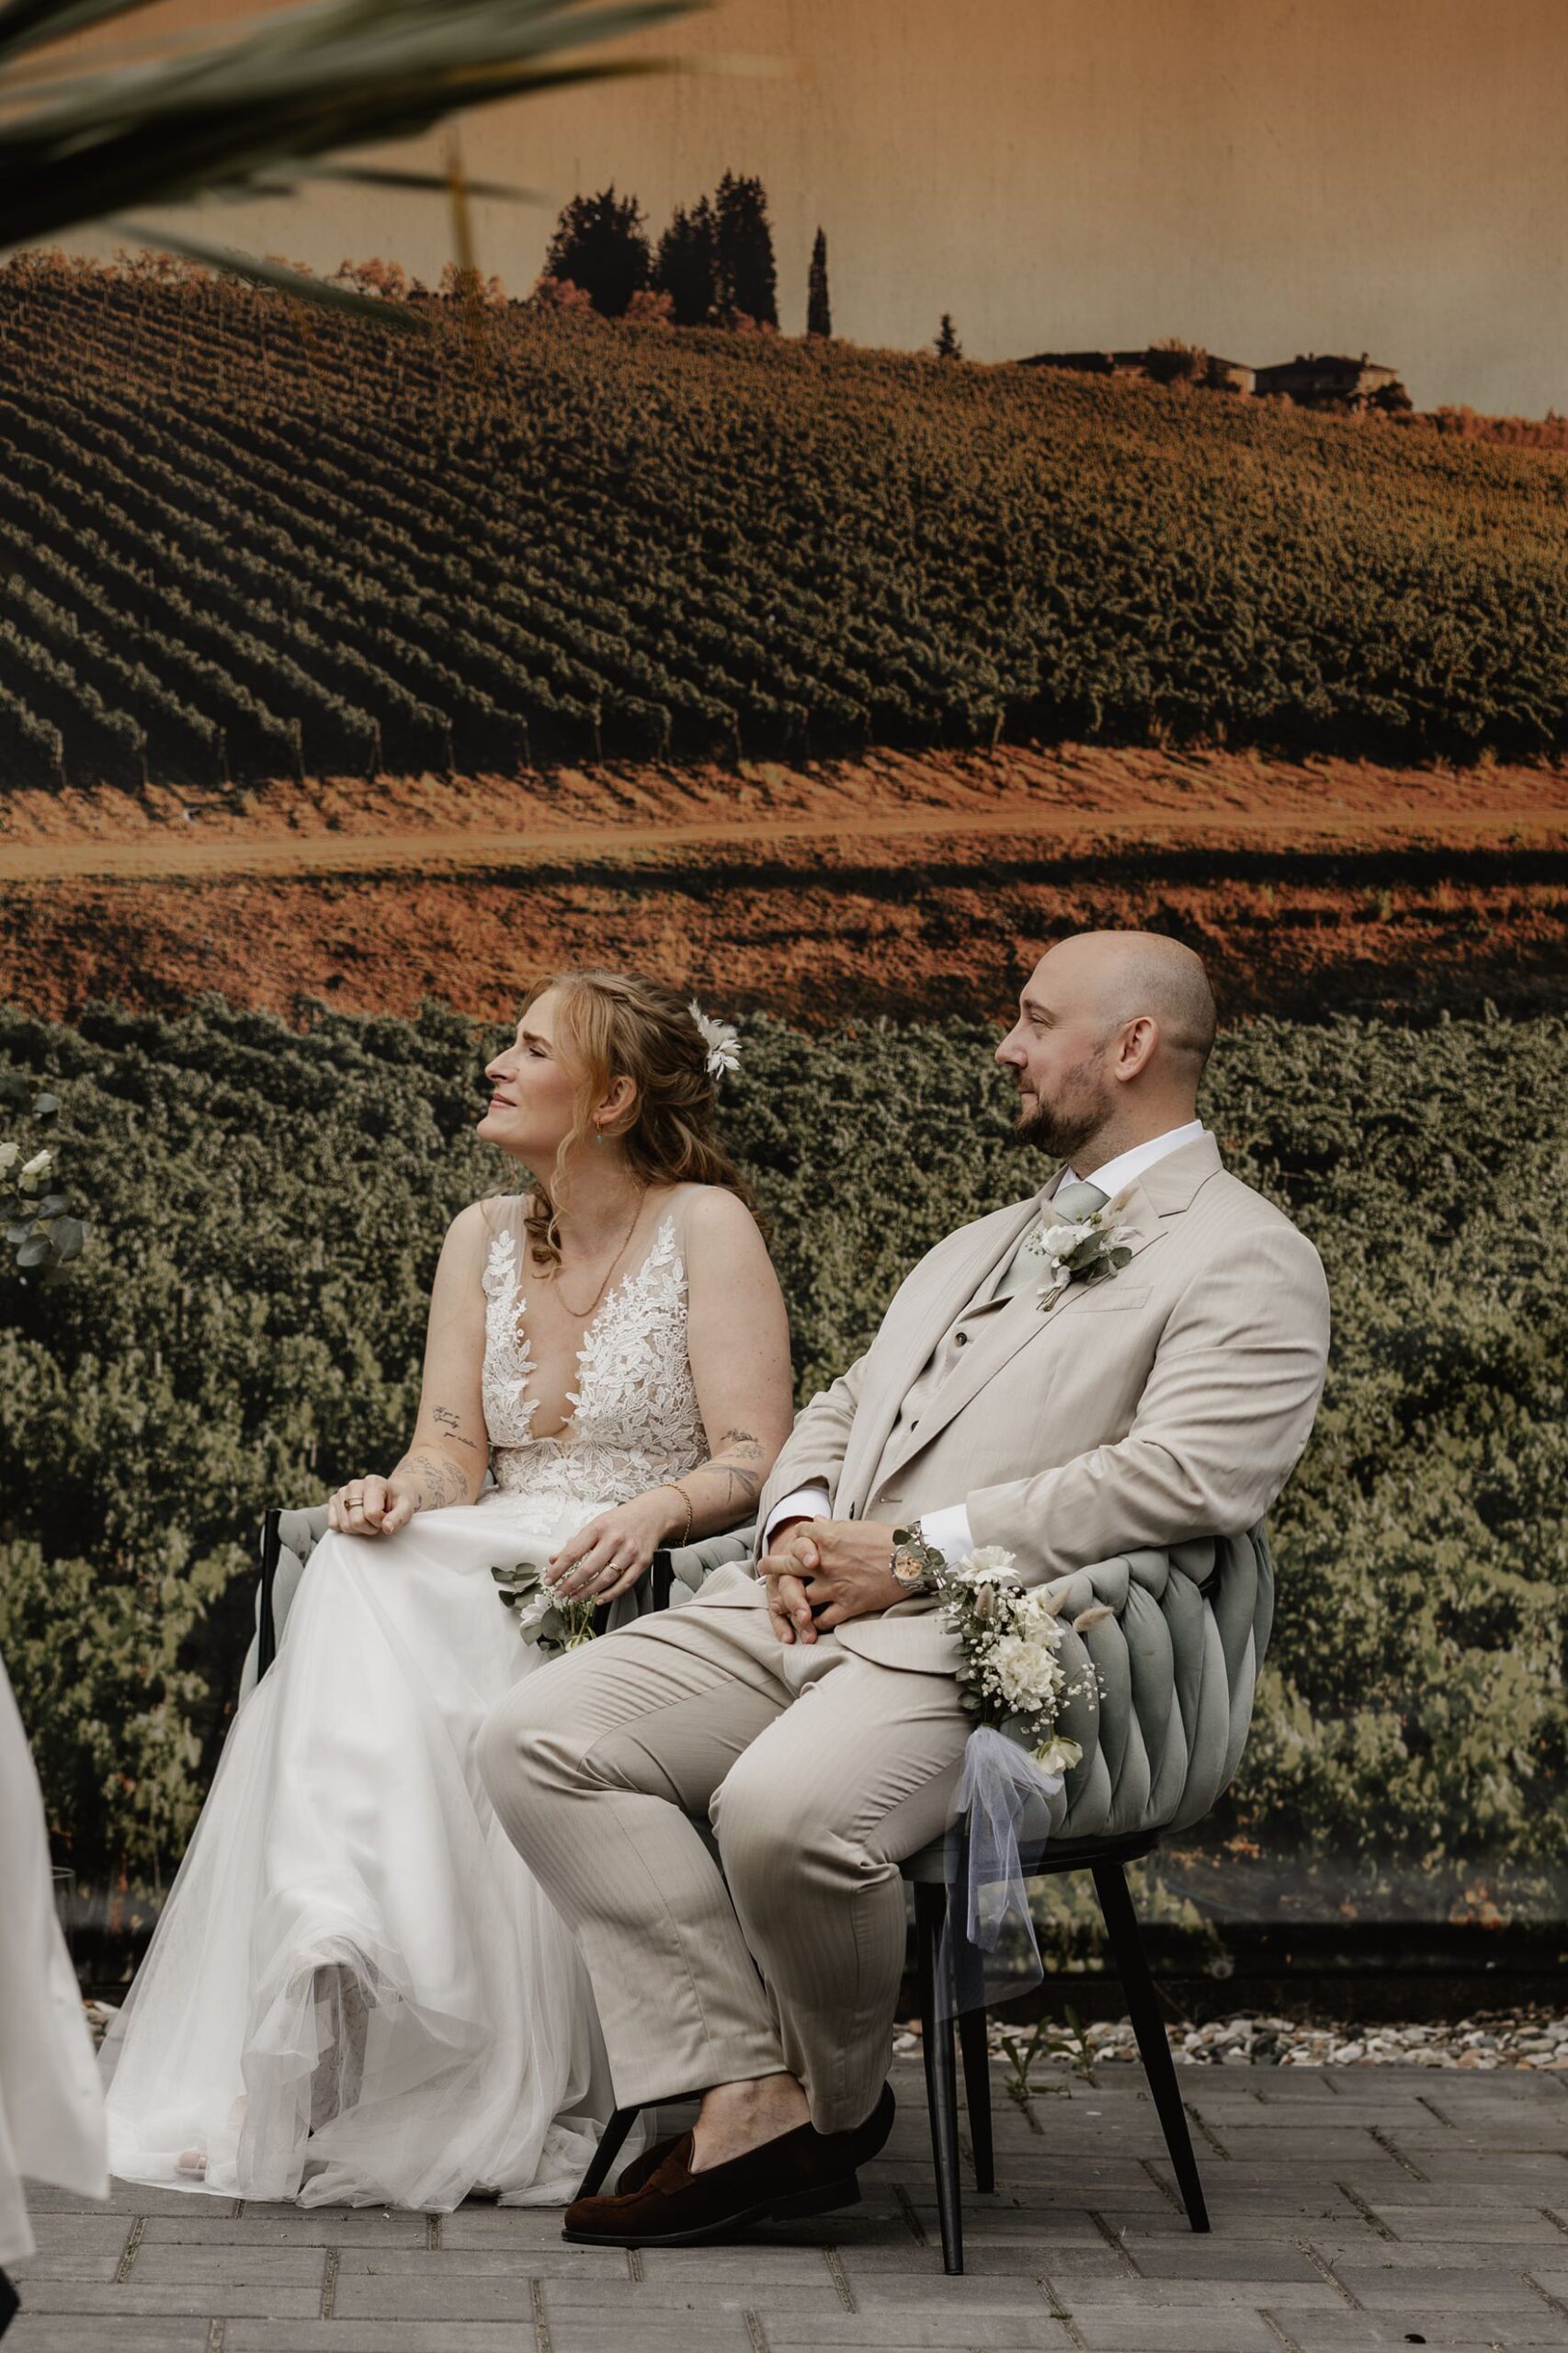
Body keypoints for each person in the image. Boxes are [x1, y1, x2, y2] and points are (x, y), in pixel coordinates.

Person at [479, 928, 1333, 2246]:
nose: (1006, 1045)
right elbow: (844, 1401)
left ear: (1131, 1047)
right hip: (807, 1601)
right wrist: (802, 1524)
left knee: (781, 1815)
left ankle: (827, 2108)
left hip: (1002, 1640)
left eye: (1034, 1020)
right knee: (535, 1738)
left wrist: (915, 1554)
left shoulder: (1247, 1253)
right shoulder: (984, 1238)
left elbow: (1188, 1480)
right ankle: (742, 2082)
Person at [101, 970, 793, 2211]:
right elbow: (453, 1449)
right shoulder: (480, 1233)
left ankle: (382, 1993)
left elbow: (752, 1456)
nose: (496, 1065)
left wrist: (652, 1511)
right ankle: (335, 1965)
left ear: (611, 1098)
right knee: (365, 1560)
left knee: (406, 1600)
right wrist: (398, 1492)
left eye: (530, 1049)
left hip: (634, 1563)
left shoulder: (706, 1225)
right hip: (490, 1537)